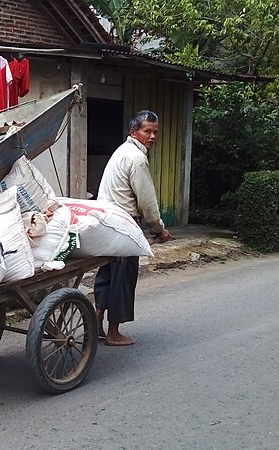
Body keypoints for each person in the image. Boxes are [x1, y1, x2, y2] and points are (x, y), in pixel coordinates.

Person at [95, 110, 172, 346]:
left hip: (105, 220)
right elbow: (147, 202)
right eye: (147, 131)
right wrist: (159, 229)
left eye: (155, 132)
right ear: (134, 131)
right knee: (123, 277)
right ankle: (113, 333)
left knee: (107, 274)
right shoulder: (137, 159)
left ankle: (96, 324)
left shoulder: (122, 151)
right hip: (124, 224)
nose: (152, 136)